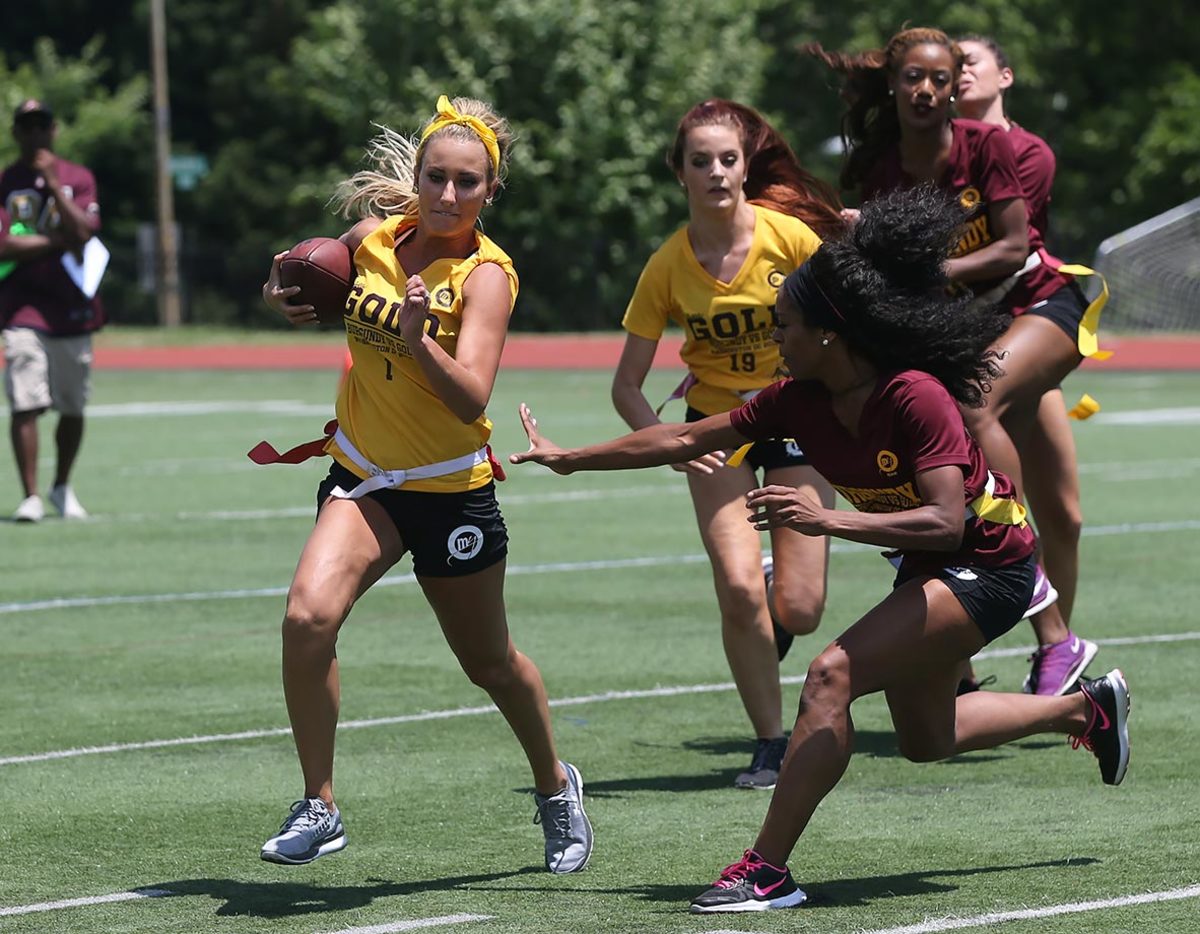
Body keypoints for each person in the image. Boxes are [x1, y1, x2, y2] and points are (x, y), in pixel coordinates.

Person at [510, 185, 1130, 913]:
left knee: (831, 675)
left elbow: (945, 524)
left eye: (787, 327)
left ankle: (766, 871)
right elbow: (684, 436)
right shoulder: (797, 397)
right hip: (937, 562)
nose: (776, 340)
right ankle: (1084, 712)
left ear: (831, 334)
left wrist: (827, 522)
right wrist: (572, 456)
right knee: (926, 738)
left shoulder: (914, 396)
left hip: (990, 566)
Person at [254, 95, 593, 872]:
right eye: (436, 176)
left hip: (450, 490)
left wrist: (415, 341)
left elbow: (473, 394)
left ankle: (553, 784)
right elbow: (303, 278)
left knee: (489, 662)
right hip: (367, 477)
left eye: (466, 182)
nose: (448, 194)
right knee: (307, 619)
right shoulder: (370, 240)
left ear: (489, 191)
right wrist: (283, 293)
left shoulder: (487, 275)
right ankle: (320, 803)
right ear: (417, 175)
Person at [805, 28, 1100, 696]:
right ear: (893, 83)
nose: (929, 90)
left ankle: (1045, 615)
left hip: (1038, 308)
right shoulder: (881, 169)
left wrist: (922, 266)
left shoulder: (991, 146)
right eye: (914, 77)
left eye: (943, 78)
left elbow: (1010, 248)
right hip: (963, 334)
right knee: (933, 458)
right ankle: (959, 659)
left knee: (973, 409)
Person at [613, 99, 843, 789]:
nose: (715, 172)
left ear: (746, 168)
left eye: (727, 159)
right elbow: (627, 385)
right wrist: (673, 443)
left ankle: (775, 593)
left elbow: (850, 326)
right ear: (678, 173)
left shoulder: (791, 241)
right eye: (700, 161)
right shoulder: (667, 266)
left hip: (799, 420)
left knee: (799, 609)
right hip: (719, 432)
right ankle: (771, 742)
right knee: (739, 589)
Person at [955, 33, 1087, 636]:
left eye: (969, 63)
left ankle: (1054, 649)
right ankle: (967, 667)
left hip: (1025, 329)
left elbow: (1004, 253)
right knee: (974, 515)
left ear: (1004, 76)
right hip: (970, 345)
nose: (955, 75)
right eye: (946, 66)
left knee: (1064, 516)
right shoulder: (930, 158)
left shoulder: (1026, 151)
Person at [0, 99, 103, 523]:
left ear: (53, 130)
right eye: (27, 126)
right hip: (21, 307)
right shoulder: (6, 181)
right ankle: (31, 495)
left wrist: (50, 181)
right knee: (25, 399)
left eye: (42, 125)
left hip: (71, 306)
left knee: (72, 404)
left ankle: (61, 485)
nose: (35, 134)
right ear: (16, 133)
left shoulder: (77, 177)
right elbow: (5, 244)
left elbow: (84, 230)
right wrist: (59, 242)